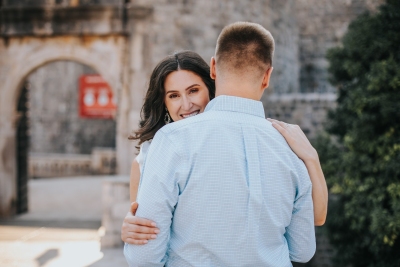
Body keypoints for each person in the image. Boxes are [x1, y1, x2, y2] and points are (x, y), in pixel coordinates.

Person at [124, 22, 321, 266]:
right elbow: (302, 250)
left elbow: (144, 256)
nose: (186, 105)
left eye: (193, 91)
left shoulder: (172, 141)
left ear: (213, 69)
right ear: (267, 76)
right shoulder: (291, 145)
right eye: (174, 95)